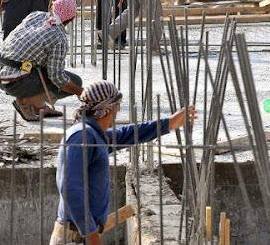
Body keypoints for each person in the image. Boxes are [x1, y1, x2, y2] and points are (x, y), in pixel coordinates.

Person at [49, 80, 196, 245]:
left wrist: (168, 123)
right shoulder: (82, 136)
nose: (118, 110)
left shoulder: (94, 134)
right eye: (117, 106)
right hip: (74, 236)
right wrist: (90, 233)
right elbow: (70, 188)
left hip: (79, 233)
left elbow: (127, 134)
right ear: (108, 108)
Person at [0, 0, 83, 121]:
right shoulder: (59, 38)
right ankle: (25, 102)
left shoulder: (36, 15)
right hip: (14, 82)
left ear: (52, 8)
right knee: (75, 81)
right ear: (71, 19)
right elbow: (57, 78)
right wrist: (82, 92)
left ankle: (38, 107)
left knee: (38, 66)